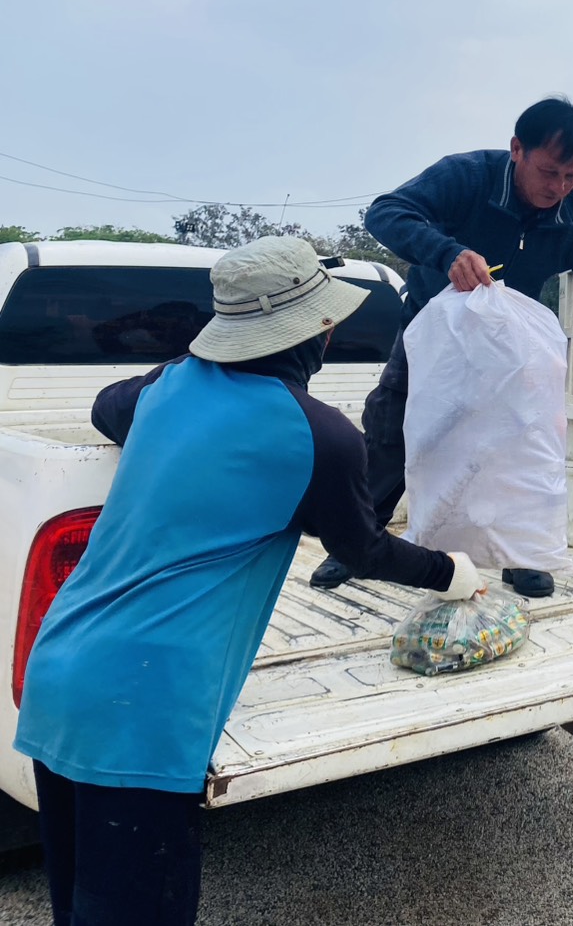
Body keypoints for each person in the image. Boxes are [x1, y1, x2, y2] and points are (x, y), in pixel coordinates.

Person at [13, 237, 483, 926]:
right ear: (318, 328)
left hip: (60, 678)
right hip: (141, 711)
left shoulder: (164, 385)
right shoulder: (318, 434)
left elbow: (103, 407)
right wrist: (452, 573)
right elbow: (363, 549)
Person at [309, 97, 573, 598]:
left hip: (510, 355)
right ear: (516, 150)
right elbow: (385, 213)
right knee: (391, 433)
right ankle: (355, 546)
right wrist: (447, 251)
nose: (558, 188)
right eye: (549, 172)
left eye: (571, 176)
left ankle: (521, 554)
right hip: (433, 342)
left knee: (518, 446)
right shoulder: (468, 178)